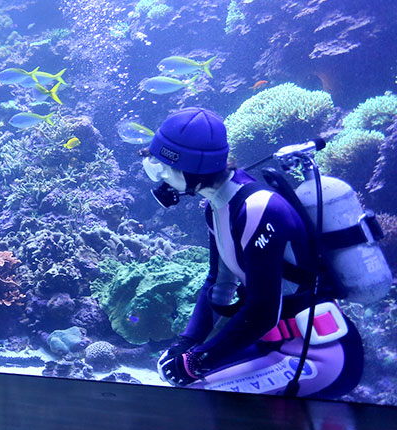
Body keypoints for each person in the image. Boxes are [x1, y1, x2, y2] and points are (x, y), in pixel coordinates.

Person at [144, 107, 363, 398]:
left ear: (191, 167)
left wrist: (197, 363)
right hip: (271, 343)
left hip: (318, 353)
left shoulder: (258, 209)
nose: (159, 176)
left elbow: (262, 311)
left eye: (162, 167)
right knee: (184, 385)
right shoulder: (217, 206)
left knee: (194, 398)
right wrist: (186, 344)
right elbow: (218, 285)